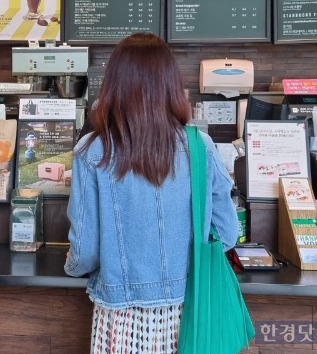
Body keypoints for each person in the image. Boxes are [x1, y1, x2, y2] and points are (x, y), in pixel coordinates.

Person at [64, 32, 239, 353]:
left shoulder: (91, 151)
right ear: (172, 86)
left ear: (113, 86)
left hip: (121, 316)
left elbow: (85, 252)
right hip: (190, 314)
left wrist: (72, 266)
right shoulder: (201, 146)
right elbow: (227, 235)